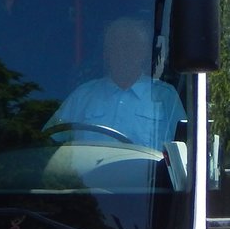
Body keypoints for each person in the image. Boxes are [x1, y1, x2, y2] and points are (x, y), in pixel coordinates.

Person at [45, 17, 186, 150]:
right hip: (87, 176)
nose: (121, 53)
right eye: (114, 46)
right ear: (106, 53)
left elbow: (186, 147)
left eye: (128, 46)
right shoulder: (83, 96)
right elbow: (49, 140)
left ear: (143, 53)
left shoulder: (165, 96)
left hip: (147, 176)